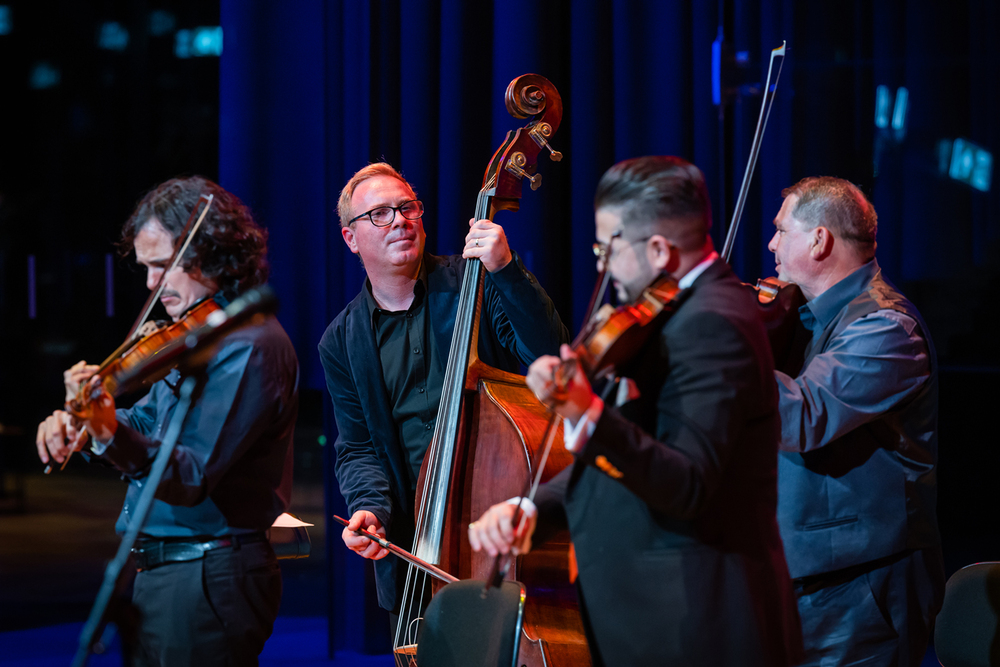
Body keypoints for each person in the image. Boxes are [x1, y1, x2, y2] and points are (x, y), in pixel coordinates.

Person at [469, 156, 802, 666]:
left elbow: (687, 483)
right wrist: (535, 507)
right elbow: (631, 449)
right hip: (657, 623)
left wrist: (585, 410)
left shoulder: (714, 324)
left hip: (697, 627)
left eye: (609, 248)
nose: (603, 266)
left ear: (659, 249)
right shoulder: (668, 315)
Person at [35, 177, 299, 667]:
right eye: (147, 268)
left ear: (211, 250)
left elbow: (189, 474)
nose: (152, 284)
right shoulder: (199, 339)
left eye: (163, 266)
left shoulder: (250, 345)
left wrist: (108, 430)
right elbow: (149, 419)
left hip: (208, 574)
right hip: (168, 572)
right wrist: (88, 426)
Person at [318, 162, 568, 615]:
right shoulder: (341, 341)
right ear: (350, 238)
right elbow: (358, 448)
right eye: (379, 214)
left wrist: (507, 270)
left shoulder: (478, 281)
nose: (398, 220)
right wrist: (370, 509)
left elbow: (550, 357)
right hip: (419, 548)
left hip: (502, 534)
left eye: (407, 207)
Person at [767, 177, 944, 666]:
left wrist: (717, 346)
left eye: (782, 230)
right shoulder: (801, 317)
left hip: (859, 591)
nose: (771, 244)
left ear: (819, 239)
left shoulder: (888, 328)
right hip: (807, 580)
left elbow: (802, 416)